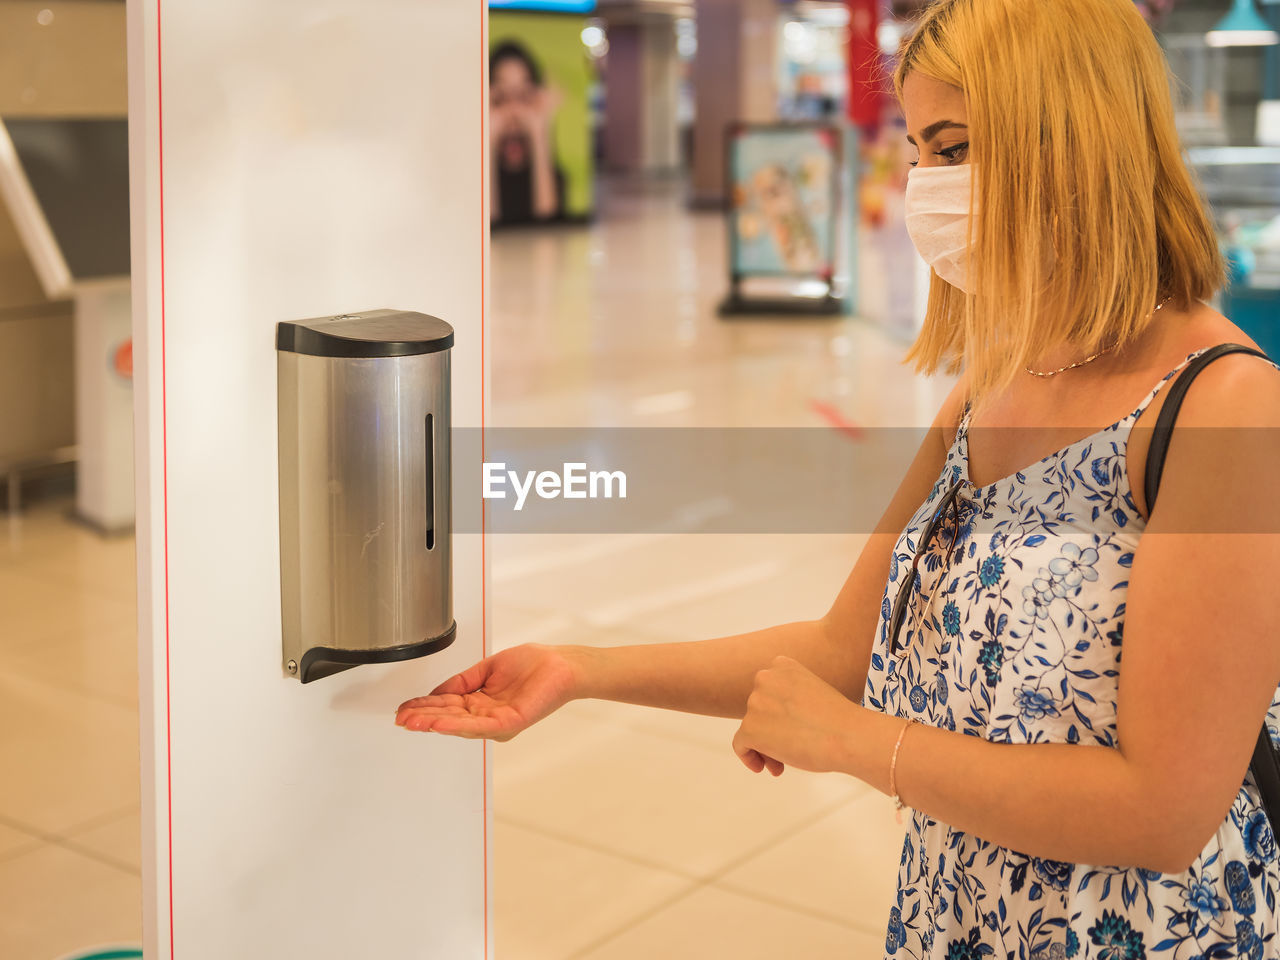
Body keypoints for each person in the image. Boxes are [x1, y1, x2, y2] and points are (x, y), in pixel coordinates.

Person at [401, 0, 1280, 955]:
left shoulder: (1223, 409)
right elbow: (844, 650)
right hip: (963, 916)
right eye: (916, 152)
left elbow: (1162, 809)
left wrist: (859, 745)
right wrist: (580, 671)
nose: (924, 187)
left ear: (1071, 141)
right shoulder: (993, 386)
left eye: (952, 149)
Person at [489, 40, 564, 225]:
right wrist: (487, 141)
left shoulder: (552, 173)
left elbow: (548, 223)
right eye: (502, 97)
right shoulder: (468, 174)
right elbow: (486, 224)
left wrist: (540, 134)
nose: (514, 111)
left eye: (522, 96)